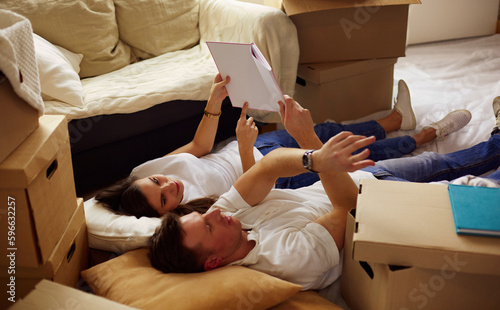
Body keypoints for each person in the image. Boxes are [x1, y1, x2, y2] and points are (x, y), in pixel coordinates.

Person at [148, 97, 500, 291]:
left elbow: (265, 169)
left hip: (363, 180)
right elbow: (348, 208)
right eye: (208, 227)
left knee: (440, 161)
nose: (213, 213)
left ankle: (492, 138)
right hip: (382, 211)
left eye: (204, 215)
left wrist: (314, 159)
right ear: (212, 262)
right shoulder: (286, 261)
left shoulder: (227, 219)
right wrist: (309, 142)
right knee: (478, 188)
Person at [95, 76, 471, 218]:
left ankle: (395, 121)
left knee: (321, 127)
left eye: (159, 182)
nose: (168, 186)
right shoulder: (191, 216)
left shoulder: (140, 175)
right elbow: (254, 192)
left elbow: (197, 145)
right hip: (270, 173)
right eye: (164, 198)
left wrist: (214, 102)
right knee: (346, 157)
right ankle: (424, 137)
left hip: (250, 146)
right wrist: (244, 151)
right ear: (164, 214)